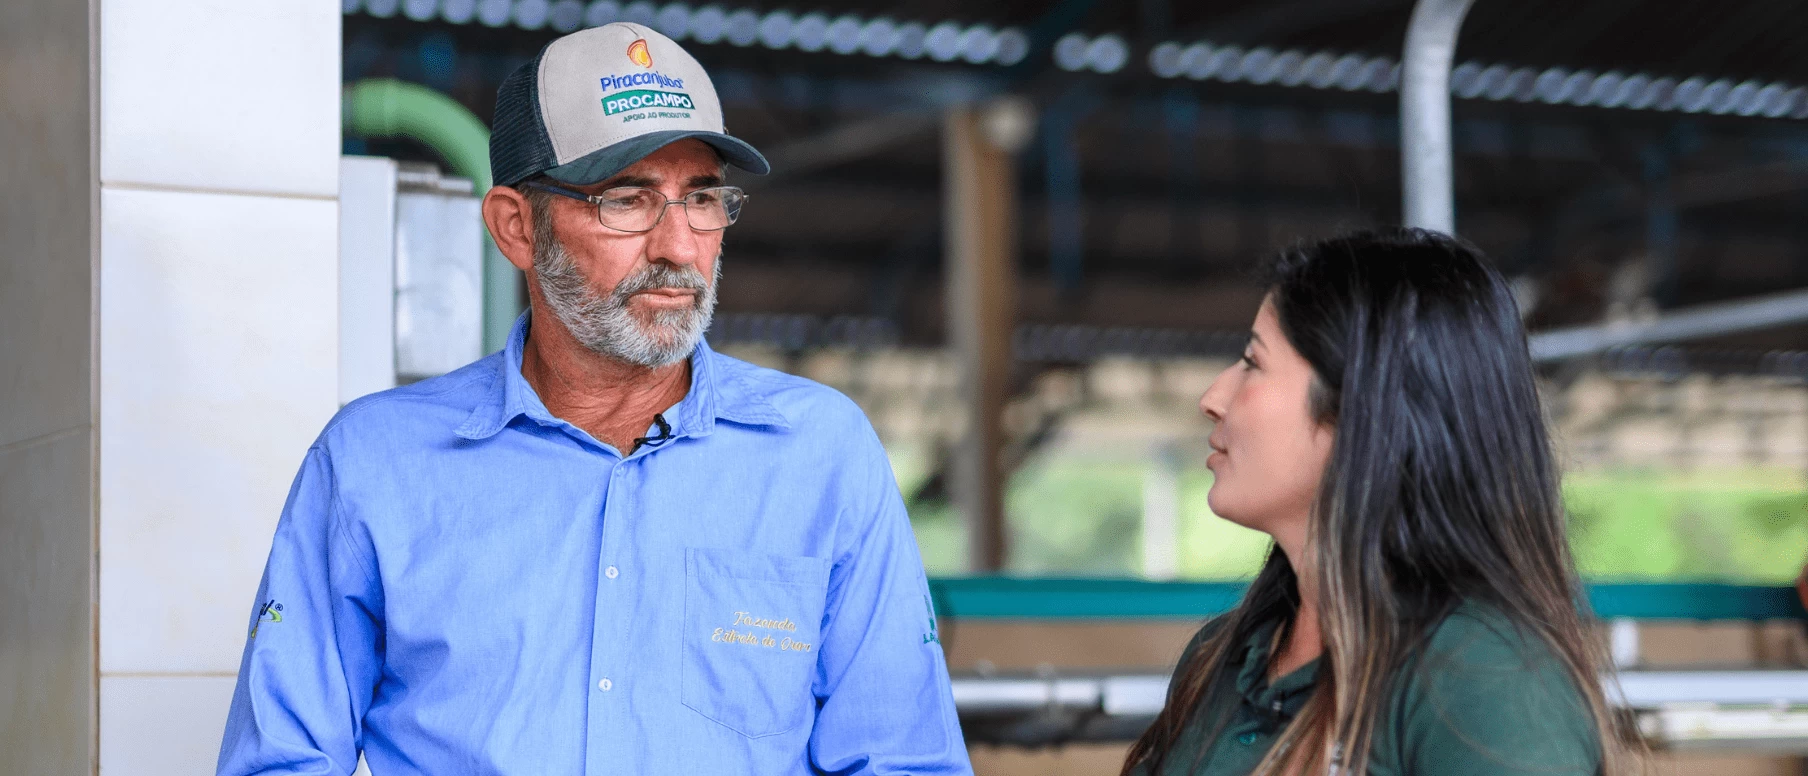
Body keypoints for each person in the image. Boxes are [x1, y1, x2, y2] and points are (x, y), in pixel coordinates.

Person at [217, 23, 970, 776]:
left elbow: (904, 761)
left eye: (702, 198)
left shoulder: (819, 453)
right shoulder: (373, 464)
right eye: (625, 200)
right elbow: (280, 761)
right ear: (517, 227)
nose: (679, 247)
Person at [1122, 229, 1642, 776]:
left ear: (1358, 412)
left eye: (1253, 362)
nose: (1213, 398)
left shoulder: (1483, 678)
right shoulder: (1221, 660)